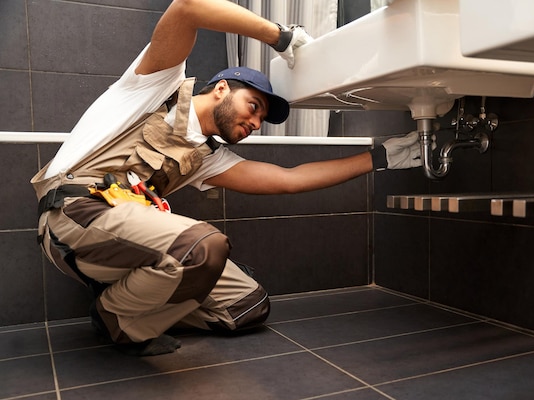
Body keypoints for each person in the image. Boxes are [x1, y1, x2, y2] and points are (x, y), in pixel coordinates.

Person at [31, 0, 422, 356]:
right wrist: (280, 37)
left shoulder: (207, 158)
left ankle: (131, 298)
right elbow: (186, 7)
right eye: (253, 107)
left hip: (127, 244)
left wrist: (379, 157)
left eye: (260, 120)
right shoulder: (153, 87)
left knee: (249, 305)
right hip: (71, 216)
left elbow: (290, 178)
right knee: (205, 247)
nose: (254, 123)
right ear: (221, 89)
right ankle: (115, 315)